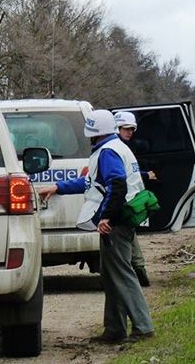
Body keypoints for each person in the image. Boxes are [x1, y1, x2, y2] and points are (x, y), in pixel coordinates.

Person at [38, 109, 154, 344]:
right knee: (112, 276)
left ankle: (143, 327)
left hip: (117, 221)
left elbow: (117, 184)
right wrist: (59, 187)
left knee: (121, 274)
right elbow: (92, 182)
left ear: (92, 131)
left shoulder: (108, 152)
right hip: (125, 217)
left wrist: (106, 217)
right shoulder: (115, 147)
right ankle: (115, 329)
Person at [114, 110, 153, 287]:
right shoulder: (116, 149)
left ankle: (138, 268)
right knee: (128, 234)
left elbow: (131, 172)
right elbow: (122, 174)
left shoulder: (123, 147)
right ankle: (138, 269)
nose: (129, 132)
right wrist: (146, 175)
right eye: (126, 129)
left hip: (130, 199)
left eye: (131, 129)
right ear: (117, 129)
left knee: (129, 233)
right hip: (123, 199)